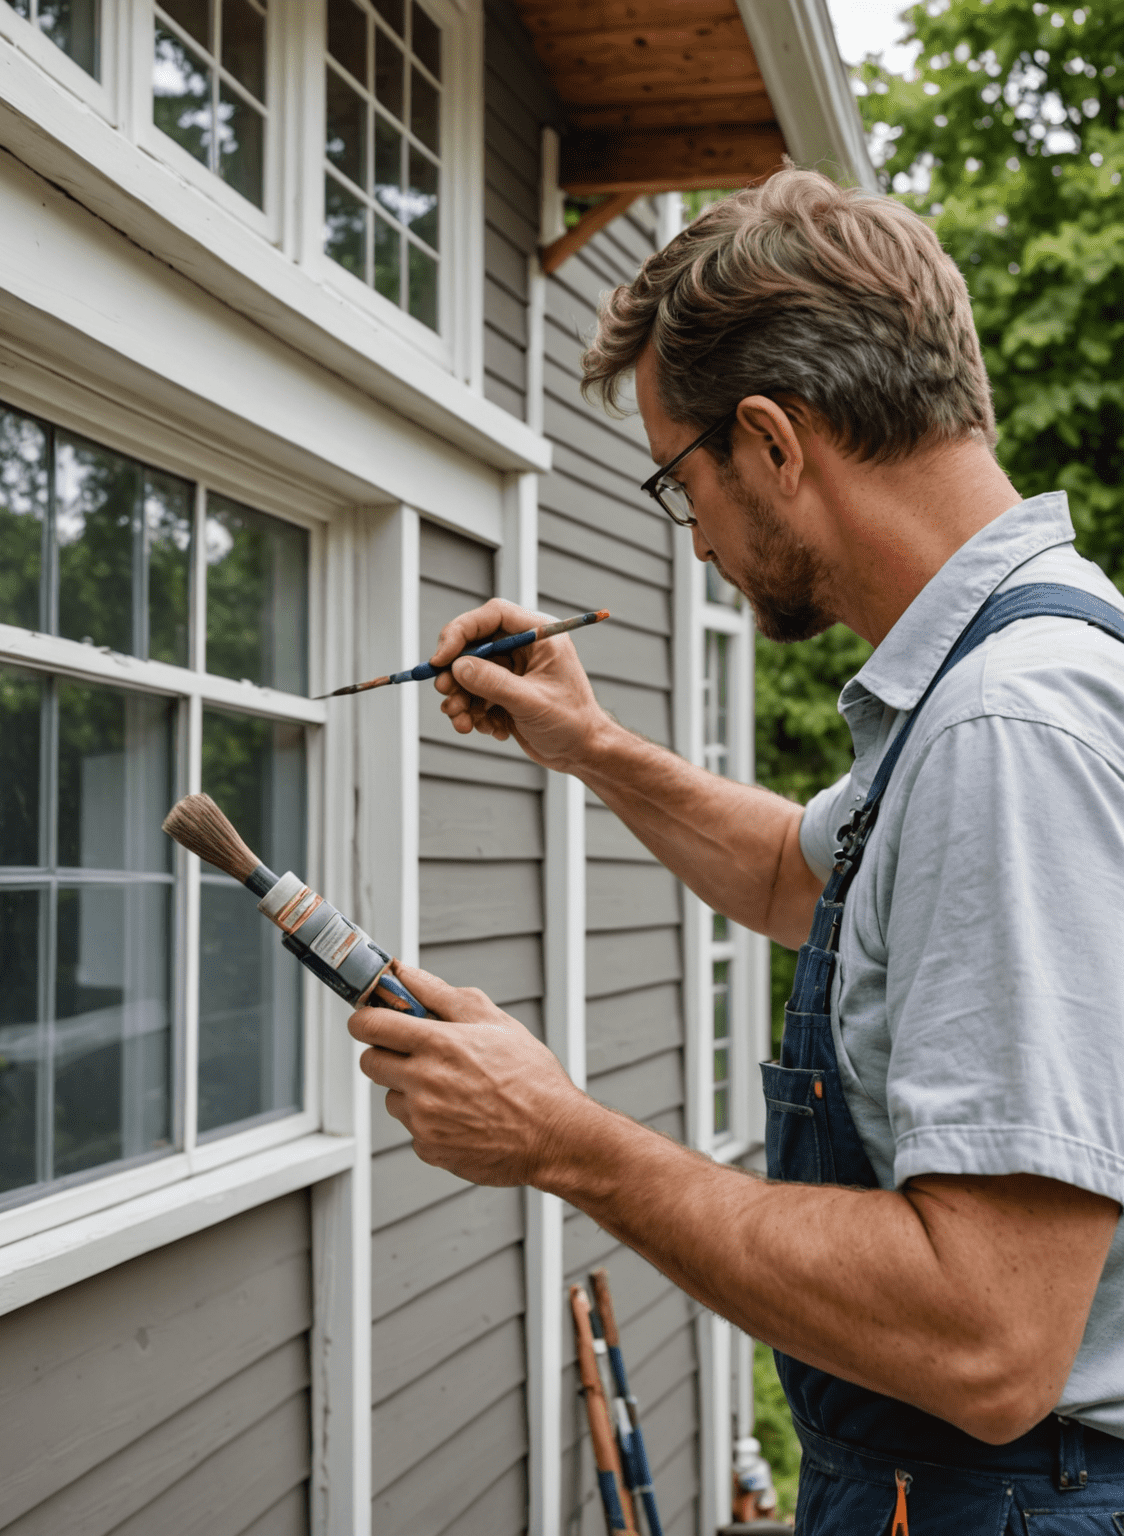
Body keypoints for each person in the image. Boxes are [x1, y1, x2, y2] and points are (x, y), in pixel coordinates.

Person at [347, 168, 1124, 1530]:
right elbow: (792, 876)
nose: (691, 532)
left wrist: (566, 1141)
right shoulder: (990, 678)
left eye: (675, 474)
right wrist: (590, 747)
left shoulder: (1008, 725)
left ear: (771, 441)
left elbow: (991, 1338)